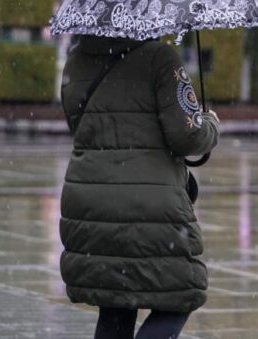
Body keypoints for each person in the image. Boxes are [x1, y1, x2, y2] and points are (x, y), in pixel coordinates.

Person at [59, 35, 219, 339]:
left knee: (115, 304)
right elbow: (187, 136)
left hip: (90, 200)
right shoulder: (161, 58)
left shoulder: (76, 59)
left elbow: (78, 125)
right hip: (148, 203)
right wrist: (210, 124)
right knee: (181, 291)